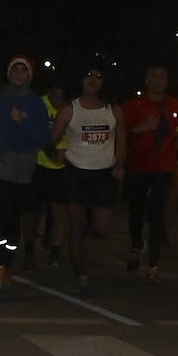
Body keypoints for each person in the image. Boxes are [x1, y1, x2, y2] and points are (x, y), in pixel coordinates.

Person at [0, 55, 51, 289]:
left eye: (23, 71)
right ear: (8, 73)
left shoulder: (36, 103)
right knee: (4, 213)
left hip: (24, 165)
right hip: (0, 161)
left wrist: (22, 122)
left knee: (15, 217)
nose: (18, 75)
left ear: (30, 76)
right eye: (15, 70)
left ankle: (7, 263)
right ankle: (0, 265)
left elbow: (42, 138)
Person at [51, 64, 126, 292]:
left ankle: (81, 238)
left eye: (98, 76)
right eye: (88, 75)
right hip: (76, 173)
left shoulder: (113, 110)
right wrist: (56, 154)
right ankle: (80, 272)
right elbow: (51, 139)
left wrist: (120, 164)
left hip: (104, 174)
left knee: (102, 229)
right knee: (76, 224)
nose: (93, 80)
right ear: (80, 80)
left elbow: (122, 140)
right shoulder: (69, 110)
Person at [121, 65, 178, 281]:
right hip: (138, 165)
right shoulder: (133, 106)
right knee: (136, 211)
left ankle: (153, 264)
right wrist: (141, 129)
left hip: (163, 166)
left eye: (163, 78)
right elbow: (122, 135)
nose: (158, 81)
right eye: (154, 78)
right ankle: (136, 244)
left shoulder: (175, 105)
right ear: (147, 80)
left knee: (157, 212)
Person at [23, 80, 69, 270]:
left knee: (60, 211)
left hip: (61, 168)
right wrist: (51, 151)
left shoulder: (71, 108)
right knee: (33, 211)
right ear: (49, 91)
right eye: (55, 94)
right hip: (37, 165)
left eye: (62, 96)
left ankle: (55, 253)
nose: (58, 99)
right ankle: (29, 248)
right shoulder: (37, 104)